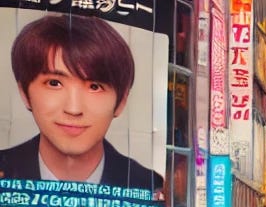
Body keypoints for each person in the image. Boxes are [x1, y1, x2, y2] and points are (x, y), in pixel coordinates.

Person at [1, 15, 162, 190]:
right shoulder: (5, 169)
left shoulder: (149, 185)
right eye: (54, 83)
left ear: (122, 100)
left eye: (95, 86)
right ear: (24, 93)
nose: (74, 109)